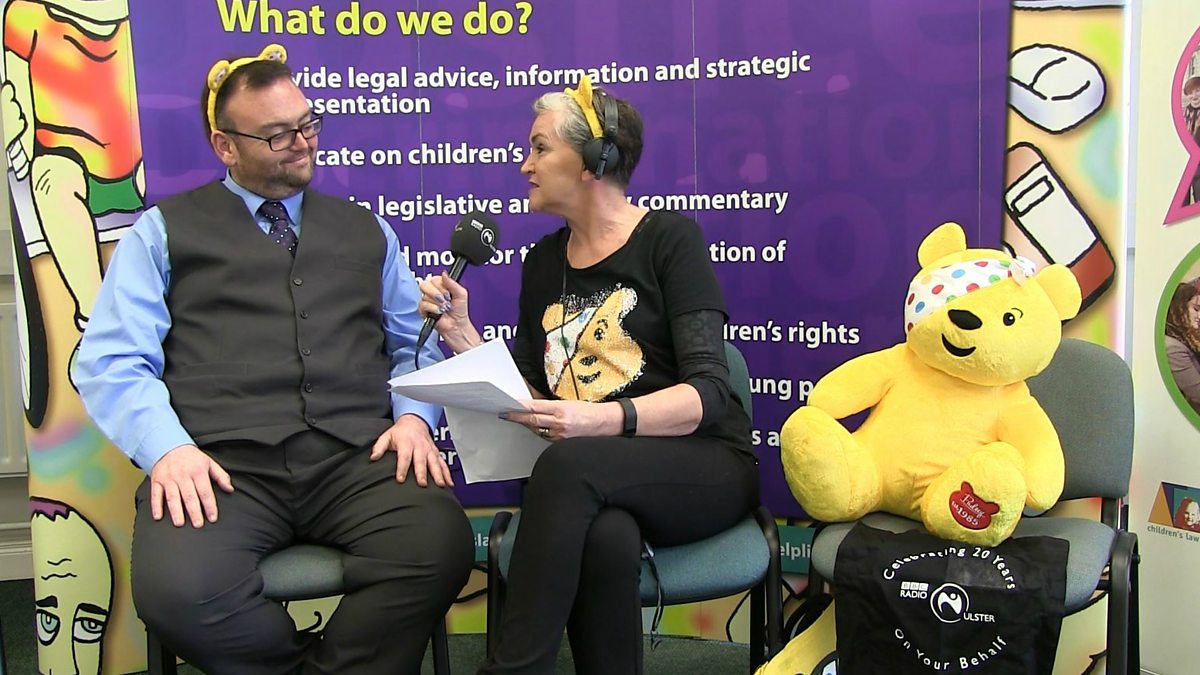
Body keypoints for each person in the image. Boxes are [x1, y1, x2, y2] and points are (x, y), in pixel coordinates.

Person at [73, 44, 474, 674]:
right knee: (178, 593)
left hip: (354, 457)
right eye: (278, 134)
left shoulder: (368, 230)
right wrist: (168, 450)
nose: (302, 143)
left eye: (308, 124)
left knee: (439, 548)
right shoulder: (161, 233)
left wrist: (414, 419)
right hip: (222, 468)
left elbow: (413, 344)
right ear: (225, 145)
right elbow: (112, 360)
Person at [420, 77, 760, 674]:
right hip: (594, 481)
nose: (525, 165)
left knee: (566, 465)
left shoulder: (669, 240)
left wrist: (599, 421)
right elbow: (533, 401)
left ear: (592, 162)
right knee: (606, 536)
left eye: (540, 148)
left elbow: (710, 393)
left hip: (702, 463)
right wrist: (464, 337)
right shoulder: (542, 262)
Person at [1165, 281, 1200, 415]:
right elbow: (1197, 393)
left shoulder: (1186, 338)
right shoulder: (1173, 347)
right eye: (1196, 309)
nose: (1199, 316)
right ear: (1178, 308)